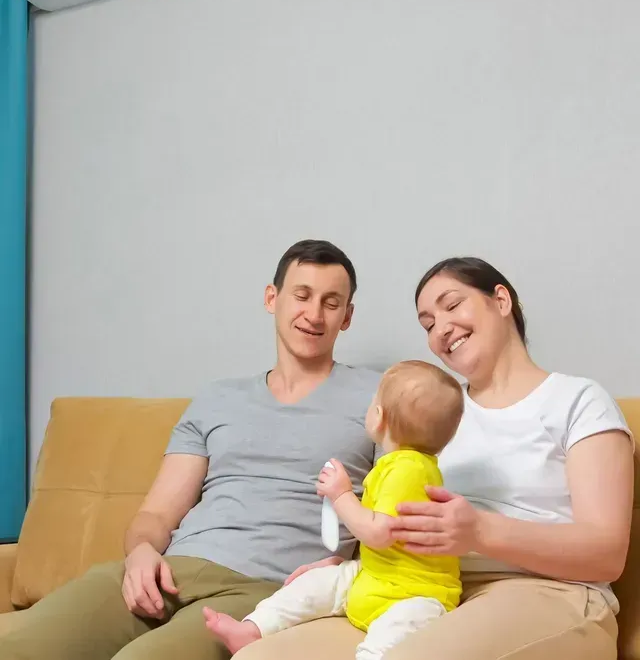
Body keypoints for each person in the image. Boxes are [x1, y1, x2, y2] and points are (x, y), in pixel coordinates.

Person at [0, 239, 380, 660]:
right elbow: (157, 514)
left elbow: (397, 508)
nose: (314, 314)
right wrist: (141, 552)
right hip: (172, 568)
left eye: (331, 302)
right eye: (302, 295)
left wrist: (350, 569)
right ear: (272, 299)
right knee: (19, 647)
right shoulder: (219, 398)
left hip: (266, 589)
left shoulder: (380, 398)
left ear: (347, 317)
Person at [273, 256, 634, 660]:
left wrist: (479, 531)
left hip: (550, 591)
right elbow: (391, 510)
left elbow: (606, 554)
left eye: (451, 304)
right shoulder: (431, 415)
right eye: (427, 324)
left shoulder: (579, 401)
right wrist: (348, 564)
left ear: (501, 300)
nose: (440, 329)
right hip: (423, 593)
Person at [204, 360, 463, 660]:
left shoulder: (408, 469)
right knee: (316, 583)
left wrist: (340, 495)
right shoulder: (398, 466)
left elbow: (379, 532)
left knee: (394, 638)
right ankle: (254, 629)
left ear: (378, 417)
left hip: (417, 596)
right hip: (376, 575)